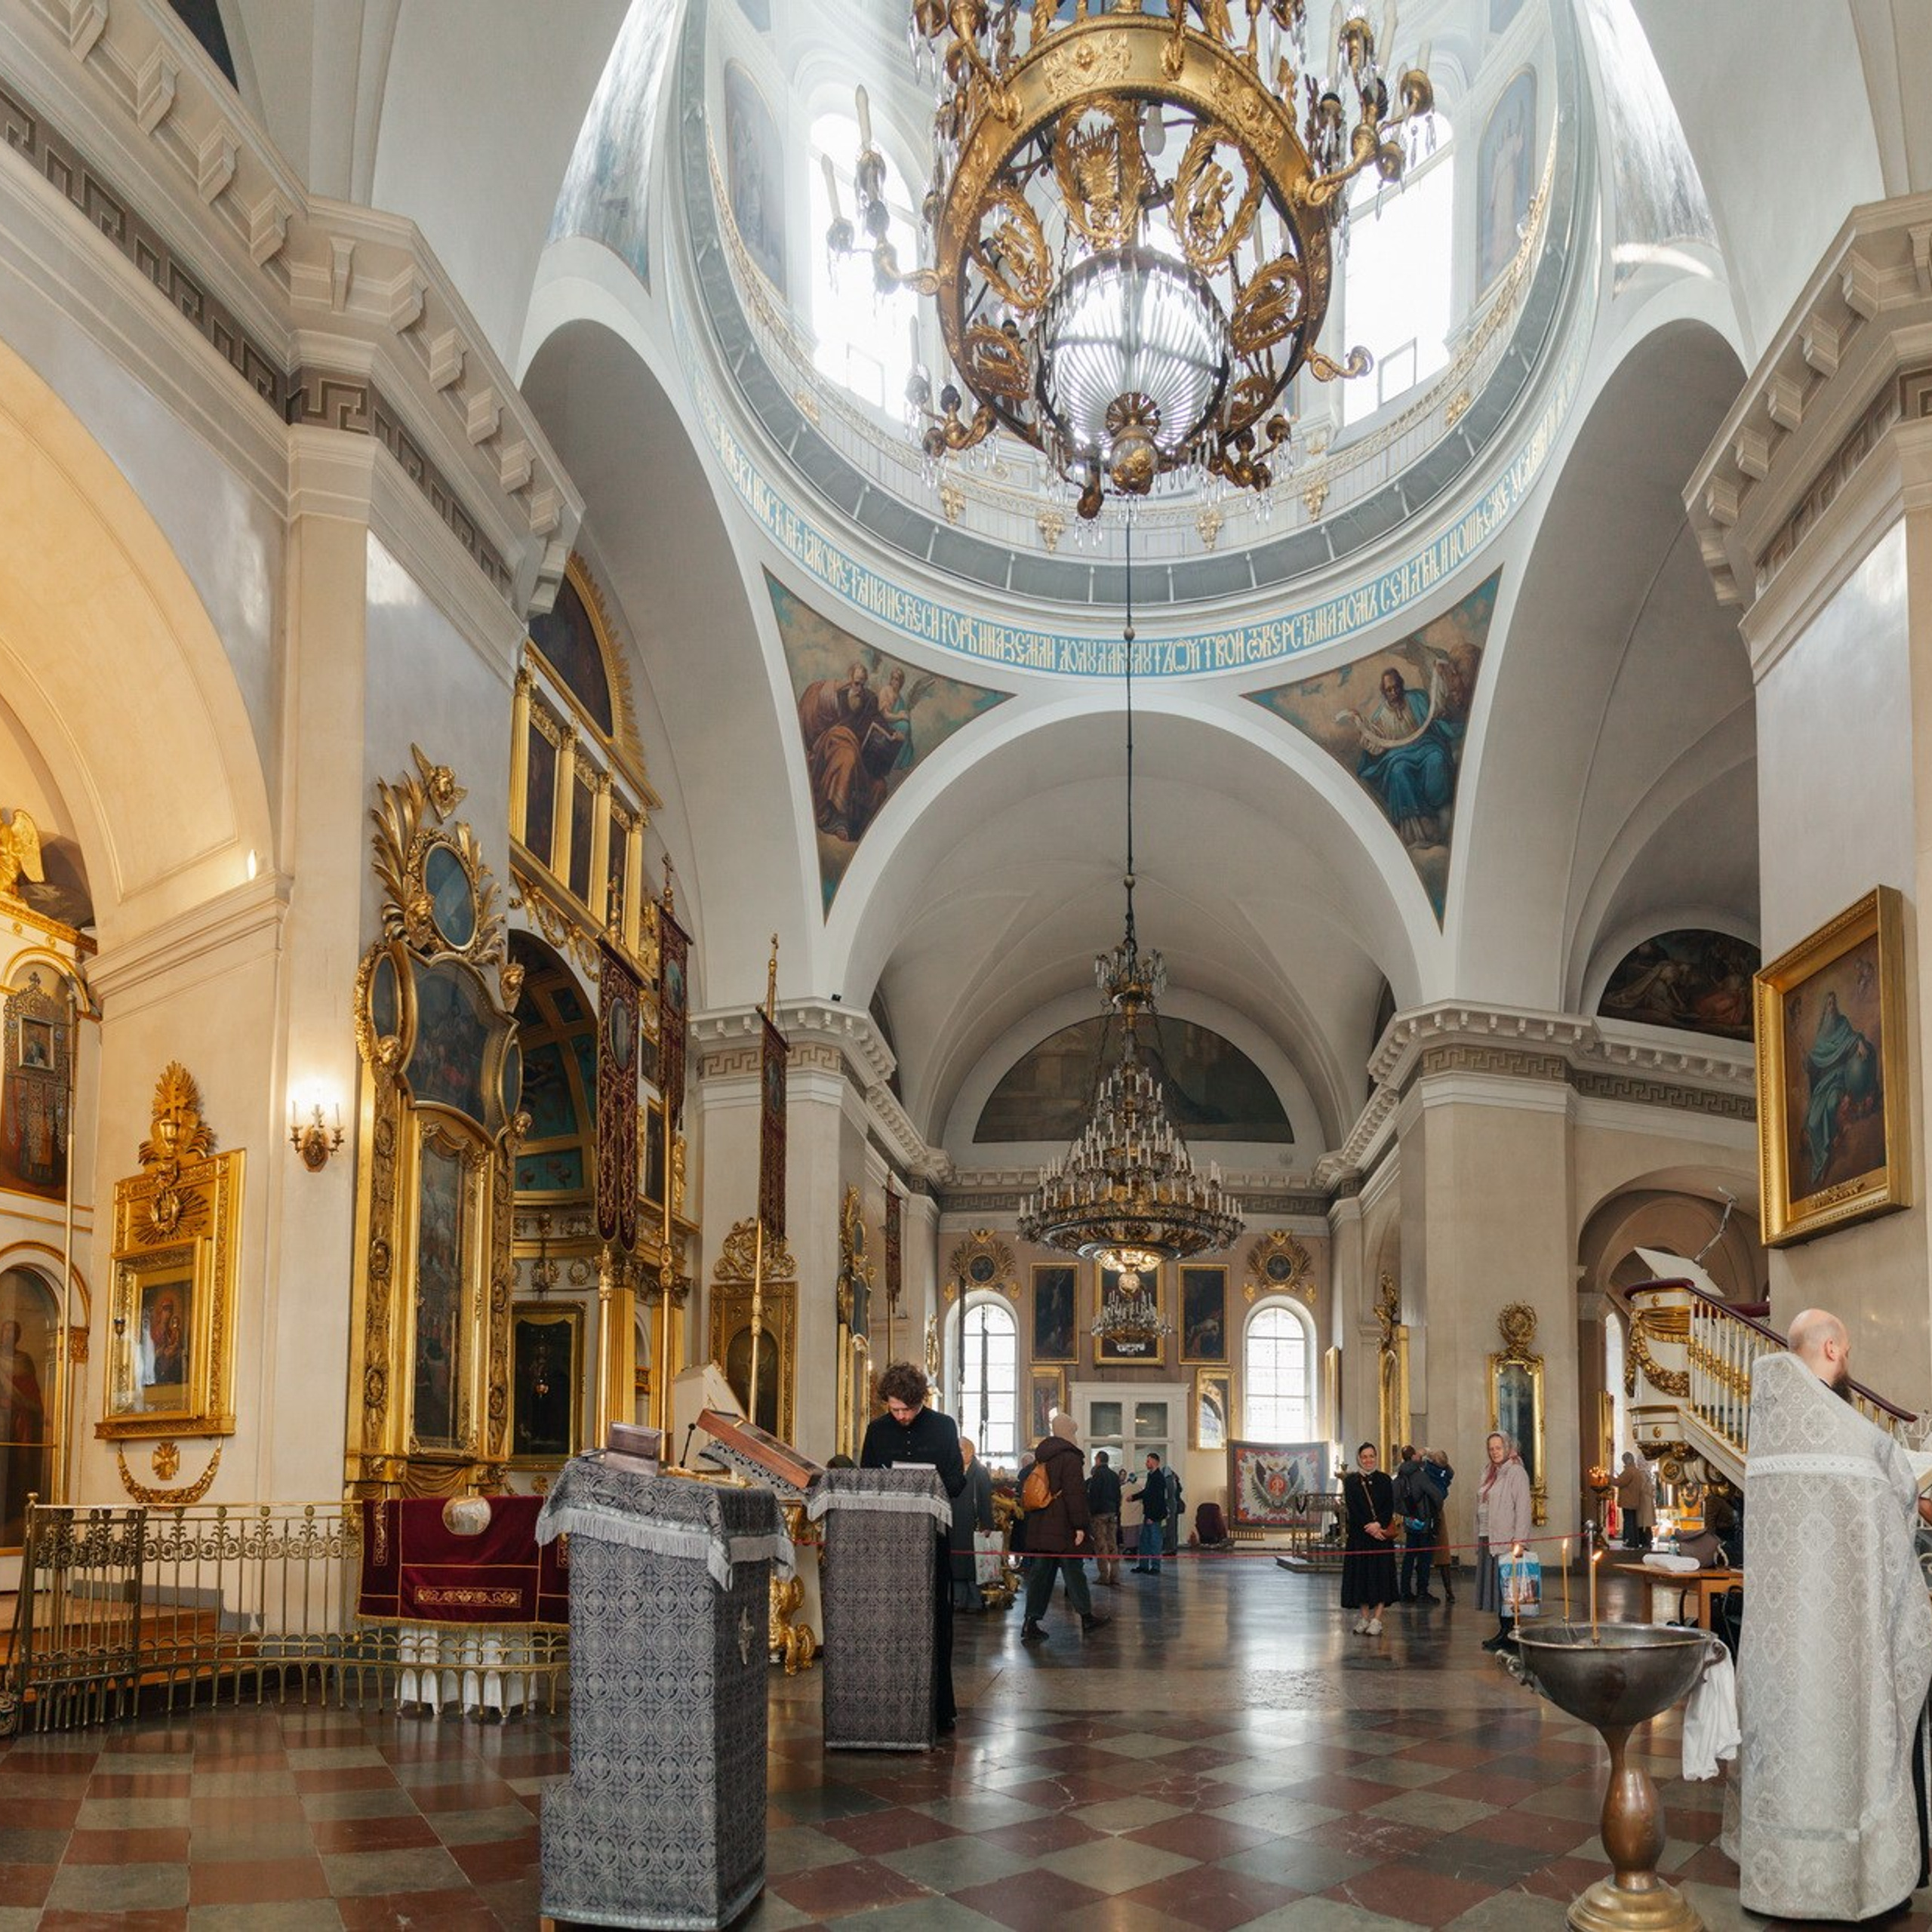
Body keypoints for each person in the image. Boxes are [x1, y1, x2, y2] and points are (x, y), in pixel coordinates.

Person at [1729, 1310, 1932, 1921]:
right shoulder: (1851, 1435)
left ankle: (1778, 1876)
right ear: (1834, 1349)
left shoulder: (1767, 1426)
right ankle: (1854, 1874)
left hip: (1779, 1647)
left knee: (1788, 1746)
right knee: (1852, 1745)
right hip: (1845, 1646)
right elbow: (1900, 1492)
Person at [859, 1361, 968, 1734]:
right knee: (887, 1625)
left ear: (921, 1400)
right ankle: (887, 1706)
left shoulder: (943, 1427)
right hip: (887, 1548)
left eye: (909, 1409)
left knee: (936, 1623)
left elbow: (956, 1482)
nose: (902, 1416)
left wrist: (926, 1480)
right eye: (895, 1409)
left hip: (931, 1543)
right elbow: (867, 1482)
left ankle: (939, 1710)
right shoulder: (877, 1430)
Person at [1020, 1414, 1107, 1641]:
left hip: (1043, 1524)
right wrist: (1080, 1526)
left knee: (1041, 1574)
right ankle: (1086, 1617)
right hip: (1063, 1525)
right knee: (1073, 1571)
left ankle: (1030, 1622)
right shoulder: (1070, 1457)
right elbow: (1075, 1494)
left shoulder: (1043, 1456)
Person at [1475, 1431, 1533, 1653]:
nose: (1495, 1452)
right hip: (1488, 1537)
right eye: (1491, 1448)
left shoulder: (1516, 1472)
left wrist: (1520, 1541)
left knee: (1509, 1589)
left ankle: (1511, 1633)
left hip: (1506, 1540)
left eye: (1499, 1448)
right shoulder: (1489, 1472)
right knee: (1499, 1590)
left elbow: (1523, 1509)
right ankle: (1504, 1630)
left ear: (1507, 1448)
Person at [1340, 1442, 1399, 1636]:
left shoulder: (1384, 1480)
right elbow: (1353, 1508)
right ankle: (1365, 1617)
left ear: (1376, 1457)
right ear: (1359, 1459)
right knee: (1361, 1577)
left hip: (1381, 1536)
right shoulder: (1351, 1482)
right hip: (1360, 1536)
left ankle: (1377, 1619)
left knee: (1381, 1577)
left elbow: (1388, 1506)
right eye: (1364, 1456)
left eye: (1371, 1456)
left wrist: (1378, 1525)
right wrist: (1370, 1527)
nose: (1368, 1460)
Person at [950, 1436, 995, 1611]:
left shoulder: (979, 1471)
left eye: (962, 1450)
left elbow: (985, 1500)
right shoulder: (953, 1469)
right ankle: (959, 1601)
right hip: (955, 1522)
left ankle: (975, 1602)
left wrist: (987, 1524)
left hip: (972, 1522)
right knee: (957, 1563)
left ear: (971, 1451)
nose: (959, 1454)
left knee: (973, 1565)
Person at [1393, 1445, 1441, 1604]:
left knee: (1409, 1557)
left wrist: (1407, 1513)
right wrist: (1435, 1511)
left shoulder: (1399, 1476)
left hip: (1409, 1523)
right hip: (1424, 1523)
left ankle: (1405, 1591)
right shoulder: (1420, 1475)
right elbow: (1436, 1495)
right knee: (1425, 1558)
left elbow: (1394, 1499)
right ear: (1414, 1457)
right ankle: (1422, 1591)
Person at [1422, 1447, 1457, 1602]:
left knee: (1424, 1555)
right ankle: (1449, 1591)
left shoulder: (1428, 1472)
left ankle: (1422, 1590)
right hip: (1439, 1513)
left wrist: (1427, 1454)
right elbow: (1451, 1472)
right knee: (1444, 1557)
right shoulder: (1445, 1474)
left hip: (1426, 1513)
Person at [1127, 1451, 1169, 1575]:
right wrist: (1134, 1497)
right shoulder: (1151, 1476)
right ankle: (1143, 1565)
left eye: (1148, 1460)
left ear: (1155, 1462)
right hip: (1148, 1514)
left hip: (1154, 1516)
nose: (1146, 1463)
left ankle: (1155, 1567)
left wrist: (1153, 1517)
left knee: (1154, 1541)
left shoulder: (1158, 1478)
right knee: (1144, 1541)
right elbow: (1147, 1492)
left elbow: (1157, 1498)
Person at [1086, 1449, 1123, 1586]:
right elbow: (1118, 1496)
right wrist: (1116, 1511)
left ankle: (1104, 1576)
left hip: (1099, 1514)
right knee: (1113, 1544)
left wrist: (1091, 1513)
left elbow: (1094, 1496)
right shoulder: (1114, 1476)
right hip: (1112, 1513)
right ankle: (1115, 1576)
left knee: (1101, 1545)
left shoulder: (1097, 1476)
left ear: (1098, 1460)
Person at [1614, 1450, 1654, 1551]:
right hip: (1642, 1501)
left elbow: (1620, 1482)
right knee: (1639, 1523)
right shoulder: (1640, 1472)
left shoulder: (1633, 1472)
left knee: (1635, 1522)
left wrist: (1608, 1477)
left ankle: (1634, 1542)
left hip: (1640, 1501)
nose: (1640, 1463)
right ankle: (1641, 1541)